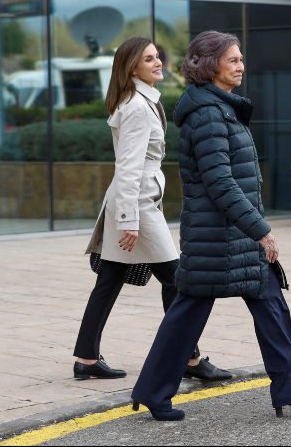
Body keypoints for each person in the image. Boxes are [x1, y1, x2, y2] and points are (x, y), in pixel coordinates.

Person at [130, 30, 291, 421]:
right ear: (210, 65)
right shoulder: (207, 114)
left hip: (236, 235)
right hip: (217, 238)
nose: (241, 66)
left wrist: (253, 228)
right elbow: (220, 182)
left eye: (241, 59)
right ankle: (153, 392)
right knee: (187, 315)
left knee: (272, 308)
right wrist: (261, 229)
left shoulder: (221, 108)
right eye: (233, 60)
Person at [74, 37, 231, 383]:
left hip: (137, 201)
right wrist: (129, 220)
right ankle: (189, 359)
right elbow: (128, 167)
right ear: (132, 67)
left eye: (157, 56)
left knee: (109, 279)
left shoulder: (142, 100)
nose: (158, 62)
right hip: (138, 205)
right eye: (148, 59)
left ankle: (86, 358)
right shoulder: (136, 107)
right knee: (176, 280)